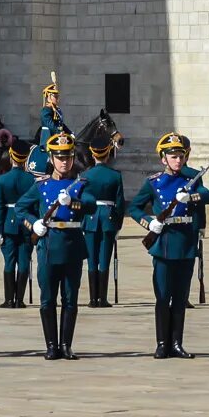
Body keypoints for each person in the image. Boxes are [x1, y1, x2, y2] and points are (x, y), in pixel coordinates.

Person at [129, 132, 209, 358]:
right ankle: (161, 343)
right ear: (163, 158)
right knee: (162, 296)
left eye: (181, 156)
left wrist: (192, 197)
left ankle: (176, 343)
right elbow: (134, 208)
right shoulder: (154, 182)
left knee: (180, 297)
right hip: (165, 242)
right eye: (173, 156)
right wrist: (149, 223)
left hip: (185, 242)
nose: (178, 160)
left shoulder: (192, 179)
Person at [15, 132, 96, 360]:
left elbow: (90, 205)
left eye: (68, 157)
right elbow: (21, 208)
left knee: (70, 299)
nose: (64, 161)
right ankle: (51, 345)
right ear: (51, 158)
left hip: (72, 246)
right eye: (59, 157)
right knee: (48, 298)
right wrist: (34, 224)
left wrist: (74, 202)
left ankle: (66, 345)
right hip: (49, 246)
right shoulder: (40, 185)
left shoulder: (79, 184)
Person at [81, 132, 125, 308]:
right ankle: (102, 298)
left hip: (90, 219)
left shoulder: (85, 175)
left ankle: (92, 299)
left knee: (92, 258)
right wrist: (118, 225)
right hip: (108, 218)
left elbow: (81, 200)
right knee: (104, 258)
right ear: (108, 153)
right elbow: (120, 203)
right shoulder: (115, 176)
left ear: (92, 154)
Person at [0, 140, 36, 308]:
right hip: (26, 223)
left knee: (9, 262)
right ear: (25, 158)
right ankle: (20, 299)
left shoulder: (2, 180)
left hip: (8, 225)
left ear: (11, 156)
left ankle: (8, 299)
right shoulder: (31, 179)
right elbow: (34, 205)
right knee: (24, 261)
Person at [27, 77, 69, 176]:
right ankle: (48, 173)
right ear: (49, 97)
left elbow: (61, 124)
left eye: (57, 96)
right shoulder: (45, 110)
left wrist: (70, 133)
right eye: (55, 96)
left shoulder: (57, 110)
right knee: (51, 155)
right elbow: (49, 124)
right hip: (49, 137)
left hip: (58, 137)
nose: (57, 98)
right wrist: (59, 132)